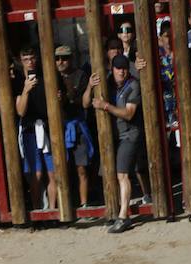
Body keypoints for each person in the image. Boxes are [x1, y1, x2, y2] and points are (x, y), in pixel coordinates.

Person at [91, 54, 141, 233]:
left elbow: (128, 114)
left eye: (124, 67)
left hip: (129, 135)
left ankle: (123, 216)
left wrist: (105, 106)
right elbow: (85, 103)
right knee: (110, 174)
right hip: (113, 137)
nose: (122, 71)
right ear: (112, 69)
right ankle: (114, 213)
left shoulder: (133, 85)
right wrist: (90, 86)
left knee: (122, 175)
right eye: (118, 68)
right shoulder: (106, 82)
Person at [15, 46, 58, 212]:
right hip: (29, 131)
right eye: (26, 59)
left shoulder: (46, 76)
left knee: (53, 173)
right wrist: (25, 90)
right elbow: (20, 111)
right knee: (36, 175)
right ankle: (37, 210)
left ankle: (52, 211)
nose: (30, 62)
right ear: (21, 61)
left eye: (32, 58)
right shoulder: (18, 81)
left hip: (47, 128)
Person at [55, 45, 94, 211]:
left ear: (70, 59)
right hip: (58, 128)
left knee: (81, 168)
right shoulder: (52, 77)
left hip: (77, 124)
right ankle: (65, 206)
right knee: (61, 169)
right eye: (57, 58)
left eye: (64, 58)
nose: (60, 62)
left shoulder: (80, 75)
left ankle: (84, 204)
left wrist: (65, 99)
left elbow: (83, 103)